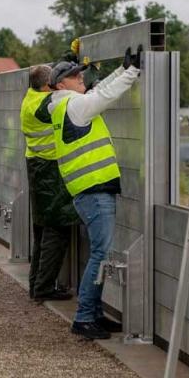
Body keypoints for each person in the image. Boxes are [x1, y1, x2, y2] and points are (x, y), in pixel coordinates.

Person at [48, 47, 141, 340]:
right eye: (74, 77)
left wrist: (121, 70)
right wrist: (132, 72)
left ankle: (95, 314)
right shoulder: (74, 105)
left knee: (99, 253)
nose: (80, 79)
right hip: (94, 190)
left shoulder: (68, 104)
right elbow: (104, 96)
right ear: (61, 84)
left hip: (89, 190)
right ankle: (85, 316)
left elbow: (98, 90)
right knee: (101, 253)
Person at [21, 65, 79, 302]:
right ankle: (43, 288)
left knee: (42, 230)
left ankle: (36, 285)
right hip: (49, 171)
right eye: (54, 80)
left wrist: (72, 60)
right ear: (47, 86)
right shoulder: (44, 105)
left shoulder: (30, 97)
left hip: (38, 169)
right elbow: (71, 98)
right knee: (56, 230)